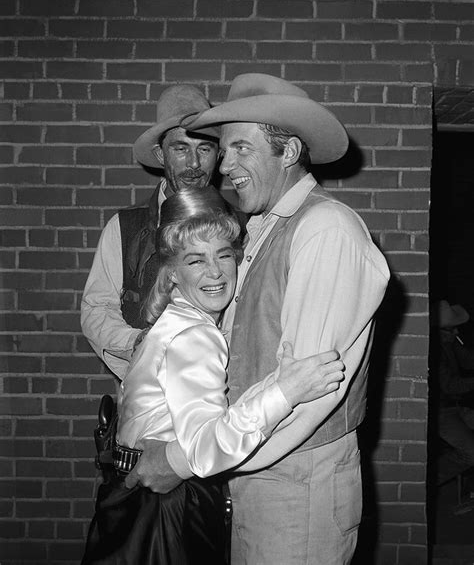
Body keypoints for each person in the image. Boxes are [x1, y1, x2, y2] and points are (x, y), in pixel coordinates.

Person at [129, 73, 390, 564]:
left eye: (240, 149)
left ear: (288, 151)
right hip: (255, 467)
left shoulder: (325, 230)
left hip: (296, 482)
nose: (224, 166)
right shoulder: (266, 227)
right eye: (224, 151)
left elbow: (307, 392)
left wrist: (183, 461)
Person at [81, 186, 345, 565]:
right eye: (196, 260)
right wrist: (286, 390)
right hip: (166, 506)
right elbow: (205, 450)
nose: (215, 272)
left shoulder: (177, 320)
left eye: (223, 254)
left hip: (134, 493)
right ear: (172, 273)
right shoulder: (195, 336)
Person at [81, 84, 220, 381]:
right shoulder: (124, 228)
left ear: (218, 156)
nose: (194, 164)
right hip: (145, 395)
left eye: (204, 149)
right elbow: (96, 309)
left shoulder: (242, 225)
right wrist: (137, 344)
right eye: (181, 149)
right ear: (160, 155)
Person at [432, 300, 474, 485]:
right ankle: (426, 482)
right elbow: (450, 386)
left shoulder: (449, 343)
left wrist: (460, 348)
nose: (457, 332)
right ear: (440, 330)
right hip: (441, 413)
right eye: (452, 329)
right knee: (471, 454)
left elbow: (468, 362)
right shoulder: (435, 352)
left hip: (456, 408)